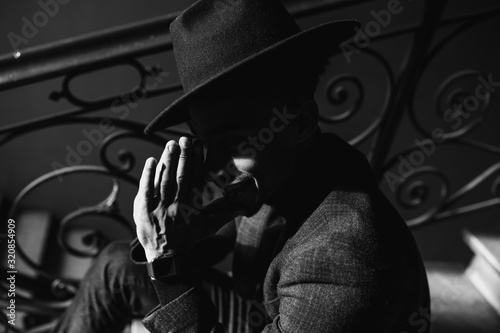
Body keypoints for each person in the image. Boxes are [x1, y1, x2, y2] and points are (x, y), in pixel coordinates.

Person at [53, 0, 431, 332]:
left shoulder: (341, 259)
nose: (215, 165)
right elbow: (222, 238)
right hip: (270, 311)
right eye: (205, 142)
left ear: (300, 122)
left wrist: (167, 263)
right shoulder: (301, 161)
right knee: (117, 264)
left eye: (233, 142)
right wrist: (182, 231)